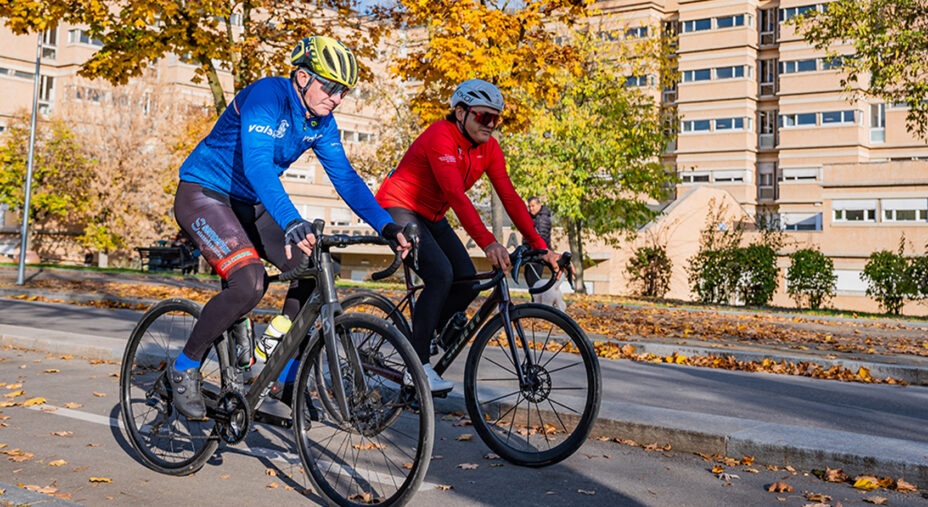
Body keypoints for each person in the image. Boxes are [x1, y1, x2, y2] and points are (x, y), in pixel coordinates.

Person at [169, 35, 410, 419]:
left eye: (343, 91)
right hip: (205, 195)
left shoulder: (321, 121)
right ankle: (184, 367)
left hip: (251, 204)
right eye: (330, 87)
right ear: (301, 77)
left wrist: (386, 225)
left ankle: (283, 376)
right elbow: (259, 166)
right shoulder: (267, 96)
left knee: (313, 272)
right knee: (250, 282)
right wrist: (292, 220)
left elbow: (346, 179)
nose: (337, 98)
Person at [375, 79, 566, 393]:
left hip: (433, 215)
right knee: (440, 275)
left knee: (466, 280)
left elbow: (511, 198)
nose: (490, 125)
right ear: (460, 113)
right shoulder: (440, 136)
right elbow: (455, 194)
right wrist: (488, 242)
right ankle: (416, 366)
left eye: (496, 119)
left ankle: (423, 337)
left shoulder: (489, 148)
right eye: (484, 117)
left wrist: (541, 247)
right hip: (398, 208)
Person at [522, 196, 552, 289]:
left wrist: (531, 252)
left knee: (534, 282)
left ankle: (537, 301)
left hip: (538, 255)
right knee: (530, 279)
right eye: (529, 206)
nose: (531, 208)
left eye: (533, 206)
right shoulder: (531, 217)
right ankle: (535, 301)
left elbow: (541, 238)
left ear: (539, 205)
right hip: (530, 254)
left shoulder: (542, 219)